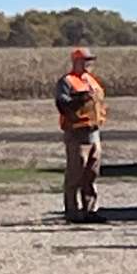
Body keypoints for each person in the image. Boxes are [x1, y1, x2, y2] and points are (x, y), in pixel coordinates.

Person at [55, 47, 107, 223]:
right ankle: (72, 212)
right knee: (75, 174)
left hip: (94, 132)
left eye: (90, 60)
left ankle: (90, 211)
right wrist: (80, 99)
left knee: (92, 174)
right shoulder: (67, 81)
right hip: (76, 133)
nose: (89, 64)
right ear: (76, 61)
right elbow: (62, 104)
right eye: (86, 60)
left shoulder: (92, 81)